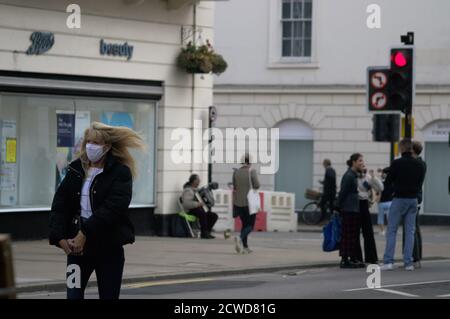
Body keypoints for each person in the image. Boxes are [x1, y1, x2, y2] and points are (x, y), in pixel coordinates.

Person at [49, 122, 145, 299]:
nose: (90, 146)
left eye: (95, 143)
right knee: (73, 296)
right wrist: (60, 238)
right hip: (77, 251)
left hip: (108, 249)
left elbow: (113, 208)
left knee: (108, 296)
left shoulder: (120, 172)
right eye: (88, 141)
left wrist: (84, 233)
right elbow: (60, 204)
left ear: (107, 147)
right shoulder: (75, 168)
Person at [380, 139, 425, 271]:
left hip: (399, 199)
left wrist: (394, 187)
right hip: (413, 200)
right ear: (410, 149)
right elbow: (419, 183)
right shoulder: (420, 165)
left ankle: (388, 261)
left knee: (392, 230)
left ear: (401, 149)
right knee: (410, 232)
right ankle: (408, 262)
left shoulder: (397, 163)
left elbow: (387, 183)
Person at [337, 153, 365, 269]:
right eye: (360, 161)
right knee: (348, 235)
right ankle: (345, 259)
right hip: (349, 209)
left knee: (353, 235)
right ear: (353, 162)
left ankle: (351, 258)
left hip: (353, 208)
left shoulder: (354, 175)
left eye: (362, 161)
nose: (362, 163)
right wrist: (337, 206)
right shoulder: (349, 176)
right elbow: (343, 192)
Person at [402, 140, 427, 268]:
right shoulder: (421, 163)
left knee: (411, 229)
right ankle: (415, 257)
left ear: (412, 150)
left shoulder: (417, 164)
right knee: (414, 229)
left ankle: (414, 257)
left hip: (413, 197)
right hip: (416, 197)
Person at [232, 153, 260, 254]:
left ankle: (245, 247)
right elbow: (257, 185)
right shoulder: (252, 171)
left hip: (238, 203)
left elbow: (234, 186)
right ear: (250, 162)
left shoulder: (236, 172)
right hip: (249, 203)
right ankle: (239, 237)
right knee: (250, 226)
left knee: (244, 224)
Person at [356, 168, 383, 264]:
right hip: (356, 205)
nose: (363, 172)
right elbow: (358, 191)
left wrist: (373, 178)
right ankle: (357, 258)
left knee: (368, 232)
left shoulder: (367, 177)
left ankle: (371, 257)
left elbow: (380, 188)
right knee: (355, 234)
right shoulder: (354, 177)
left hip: (364, 205)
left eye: (364, 170)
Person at [181, 174, 218, 239]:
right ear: (194, 181)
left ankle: (207, 232)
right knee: (202, 213)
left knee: (213, 216)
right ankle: (204, 233)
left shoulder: (197, 190)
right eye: (198, 180)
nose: (199, 181)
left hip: (197, 209)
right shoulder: (188, 190)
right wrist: (198, 204)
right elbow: (186, 204)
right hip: (189, 211)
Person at [377, 167, 394, 236]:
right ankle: (389, 230)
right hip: (390, 202)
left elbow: (378, 192)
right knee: (389, 217)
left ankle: (382, 231)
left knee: (380, 217)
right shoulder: (392, 182)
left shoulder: (381, 183)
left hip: (381, 202)